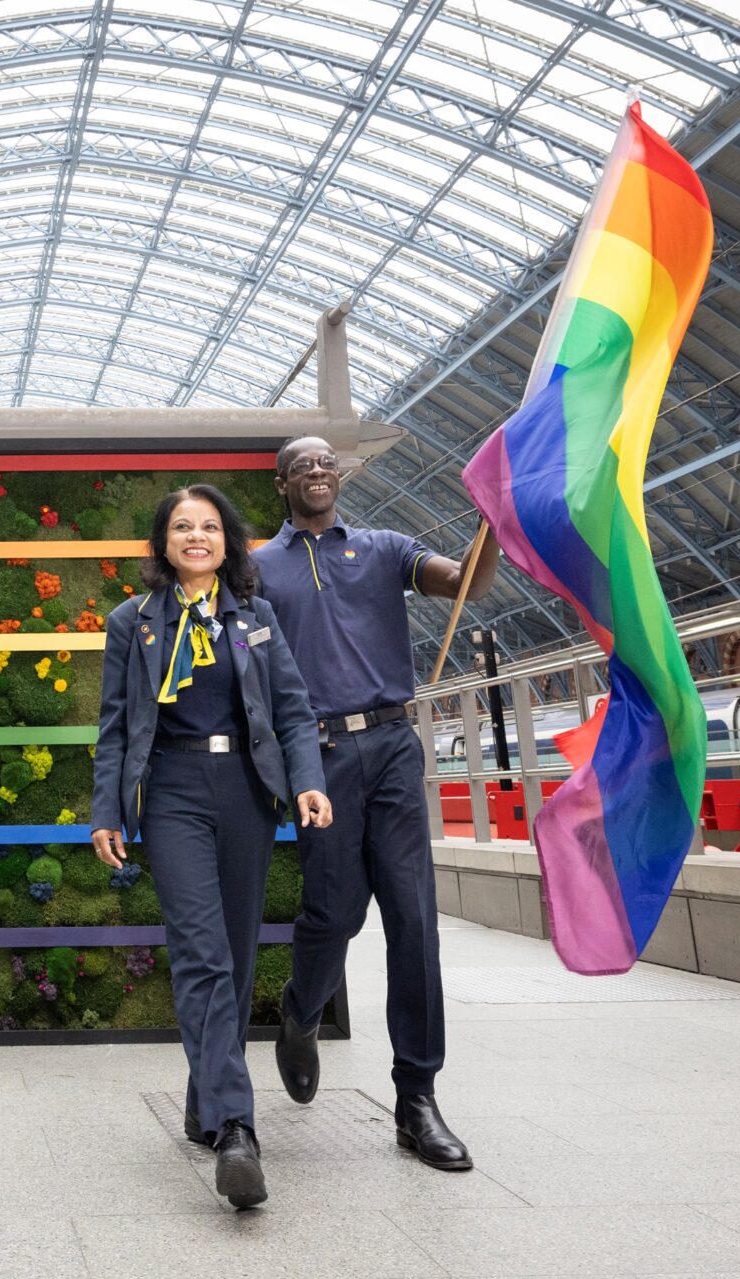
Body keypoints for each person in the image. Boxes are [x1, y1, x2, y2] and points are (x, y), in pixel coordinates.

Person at [251, 436, 499, 1171]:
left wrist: (496, 527)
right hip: (317, 753)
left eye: (329, 462)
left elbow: (465, 585)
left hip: (393, 743)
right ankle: (302, 1011)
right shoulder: (259, 570)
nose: (320, 471)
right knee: (335, 911)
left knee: (414, 918)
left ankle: (416, 1097)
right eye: (304, 465)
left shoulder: (387, 547)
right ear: (283, 483)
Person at [91, 484, 332, 1209]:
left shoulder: (255, 617)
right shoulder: (132, 622)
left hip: (247, 790)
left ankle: (203, 1100)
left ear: (227, 540)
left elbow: (291, 709)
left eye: (208, 526)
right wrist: (107, 809)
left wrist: (307, 782)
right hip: (170, 790)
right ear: (163, 544)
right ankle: (235, 1128)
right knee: (201, 950)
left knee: (234, 949)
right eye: (180, 527)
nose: (196, 536)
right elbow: (114, 727)